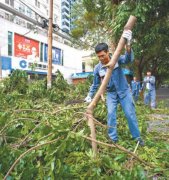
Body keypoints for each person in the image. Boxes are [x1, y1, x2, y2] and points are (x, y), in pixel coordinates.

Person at [84, 30, 144, 146]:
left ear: (107, 53)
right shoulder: (98, 68)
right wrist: (89, 95)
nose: (101, 58)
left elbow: (128, 59)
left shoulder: (116, 59)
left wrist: (128, 44)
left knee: (129, 114)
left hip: (124, 92)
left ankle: (137, 138)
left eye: (103, 55)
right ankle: (113, 139)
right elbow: (95, 84)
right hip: (111, 94)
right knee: (111, 114)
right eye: (99, 56)